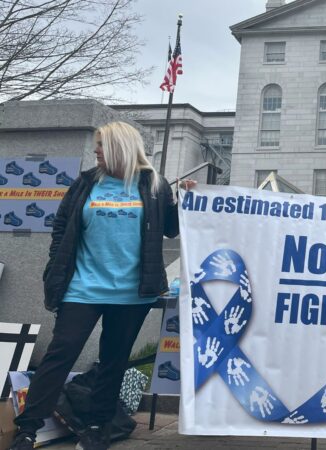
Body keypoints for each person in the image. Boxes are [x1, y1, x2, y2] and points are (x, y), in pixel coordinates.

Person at [9, 122, 194, 450]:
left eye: (101, 146)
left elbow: (171, 229)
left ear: (120, 148)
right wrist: (56, 267)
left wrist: (190, 201)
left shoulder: (153, 185)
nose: (96, 152)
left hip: (132, 294)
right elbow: (62, 228)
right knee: (60, 355)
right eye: (95, 146)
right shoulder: (84, 184)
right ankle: (27, 427)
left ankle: (98, 426)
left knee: (114, 360)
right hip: (82, 288)